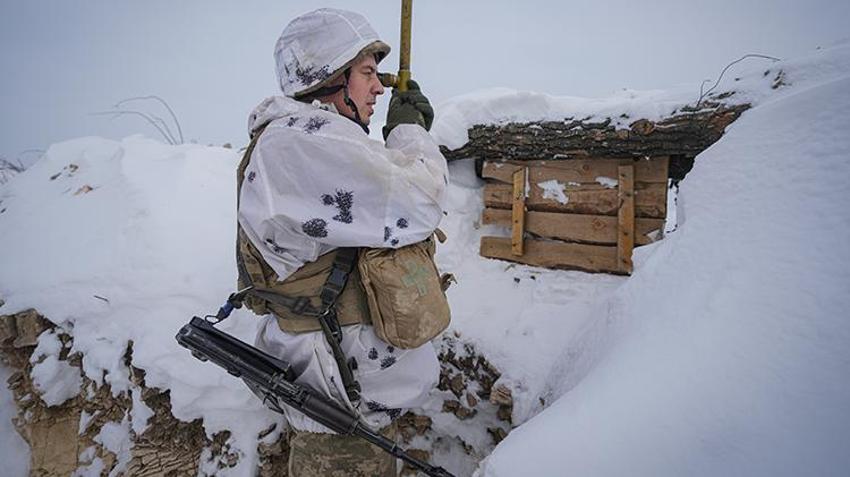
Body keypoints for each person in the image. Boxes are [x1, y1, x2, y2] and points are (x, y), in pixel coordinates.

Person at [236, 8, 449, 476]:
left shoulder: (308, 140)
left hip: (347, 412)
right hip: (340, 425)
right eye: (368, 73)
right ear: (332, 77)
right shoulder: (301, 141)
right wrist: (409, 132)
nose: (379, 87)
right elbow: (419, 201)